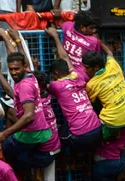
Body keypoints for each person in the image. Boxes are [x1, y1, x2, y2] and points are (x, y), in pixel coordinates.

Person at [0, 52, 59, 174]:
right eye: (11, 69)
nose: (13, 72)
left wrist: (4, 133)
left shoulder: (25, 86)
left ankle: (24, 178)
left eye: (16, 69)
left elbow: (29, 116)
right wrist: (17, 41)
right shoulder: (30, 75)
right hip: (43, 131)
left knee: (7, 146)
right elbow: (22, 58)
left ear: (24, 66)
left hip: (32, 133)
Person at [44, 25, 103, 154]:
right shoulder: (79, 77)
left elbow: (41, 84)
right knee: (86, 145)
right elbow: (65, 58)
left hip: (81, 137)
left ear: (55, 75)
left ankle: (68, 163)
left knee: (57, 132)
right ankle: (84, 163)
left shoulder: (56, 86)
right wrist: (55, 36)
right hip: (98, 130)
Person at [82, 49, 125, 141]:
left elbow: (91, 104)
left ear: (96, 67)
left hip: (111, 122)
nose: (84, 70)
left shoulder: (92, 84)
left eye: (87, 67)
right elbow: (110, 53)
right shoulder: (112, 64)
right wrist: (101, 42)